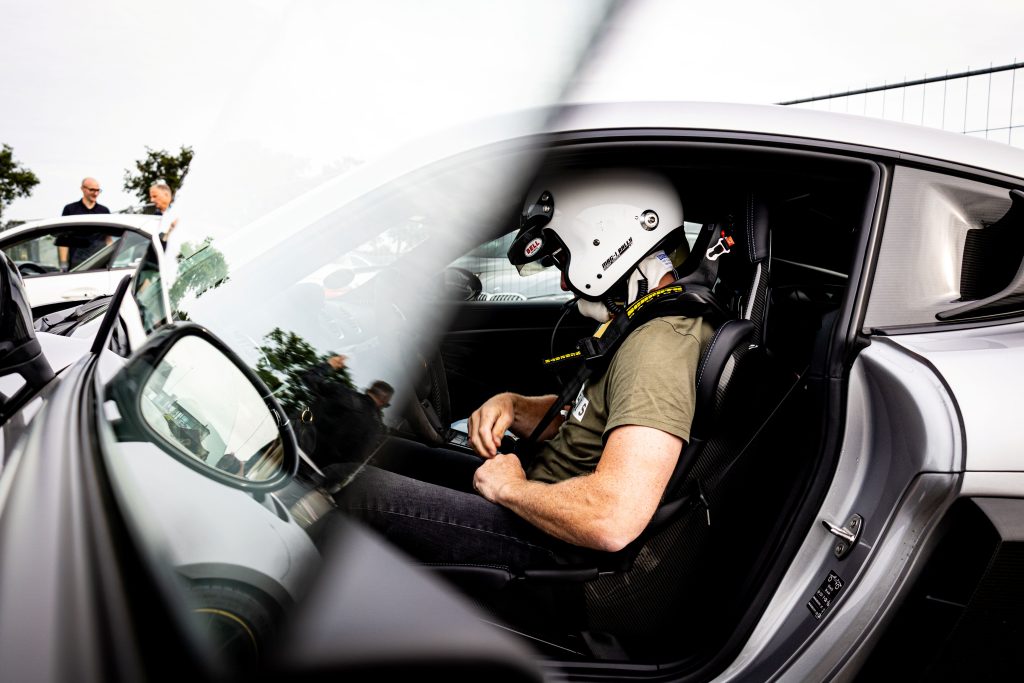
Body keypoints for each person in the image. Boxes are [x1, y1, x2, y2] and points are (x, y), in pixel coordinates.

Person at [311, 168, 713, 578]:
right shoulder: (640, 325)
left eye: (564, 260)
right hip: (538, 496)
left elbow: (612, 518)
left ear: (608, 244)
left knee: (347, 490)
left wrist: (510, 489)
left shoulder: (658, 346)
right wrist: (514, 406)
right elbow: (587, 418)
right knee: (383, 452)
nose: (563, 281)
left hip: (551, 545)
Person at [298, 353, 395, 469]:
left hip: (293, 452)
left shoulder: (341, 392)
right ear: (383, 403)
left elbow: (308, 378)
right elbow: (354, 464)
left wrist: (329, 365)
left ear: (368, 389)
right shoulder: (375, 428)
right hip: (315, 474)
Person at [58, 177, 112, 269]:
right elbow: (63, 240)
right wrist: (63, 264)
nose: (95, 193)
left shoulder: (104, 211)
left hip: (100, 262)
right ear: (83, 189)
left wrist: (111, 260)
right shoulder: (70, 209)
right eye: (92, 190)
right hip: (77, 263)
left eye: (98, 190)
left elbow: (108, 239)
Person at [149, 179, 178, 248]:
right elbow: (157, 243)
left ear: (166, 195)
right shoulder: (154, 219)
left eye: (155, 196)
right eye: (151, 197)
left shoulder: (180, 212)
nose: (152, 200)